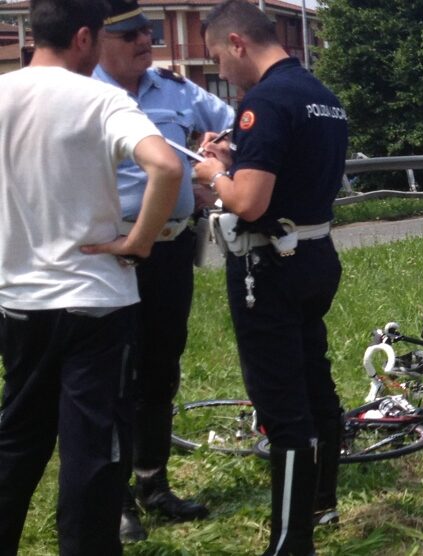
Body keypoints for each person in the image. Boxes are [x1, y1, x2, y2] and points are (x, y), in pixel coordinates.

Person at [0, 0, 182, 554]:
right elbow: (168, 166)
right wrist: (139, 241)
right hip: (97, 304)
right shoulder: (101, 98)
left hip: (19, 302)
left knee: (16, 440)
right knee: (93, 452)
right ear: (84, 38)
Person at [193, 1, 347, 553]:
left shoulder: (264, 102)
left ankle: (289, 541)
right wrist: (239, 158)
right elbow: (293, 174)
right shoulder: (322, 97)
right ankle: (322, 504)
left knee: (282, 405)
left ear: (236, 42)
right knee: (315, 383)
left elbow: (251, 202)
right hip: (315, 252)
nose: (222, 71)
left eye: (217, 57)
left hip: (268, 264)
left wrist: (215, 172)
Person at [91, 0, 235, 542]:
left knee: (160, 367)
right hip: (112, 253)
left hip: (170, 250)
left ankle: (153, 481)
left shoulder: (175, 90)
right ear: (96, 41)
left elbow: (233, 126)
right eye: (128, 37)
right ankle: (115, 497)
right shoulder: (87, 95)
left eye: (146, 34)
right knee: (112, 378)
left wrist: (215, 149)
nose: (143, 44)